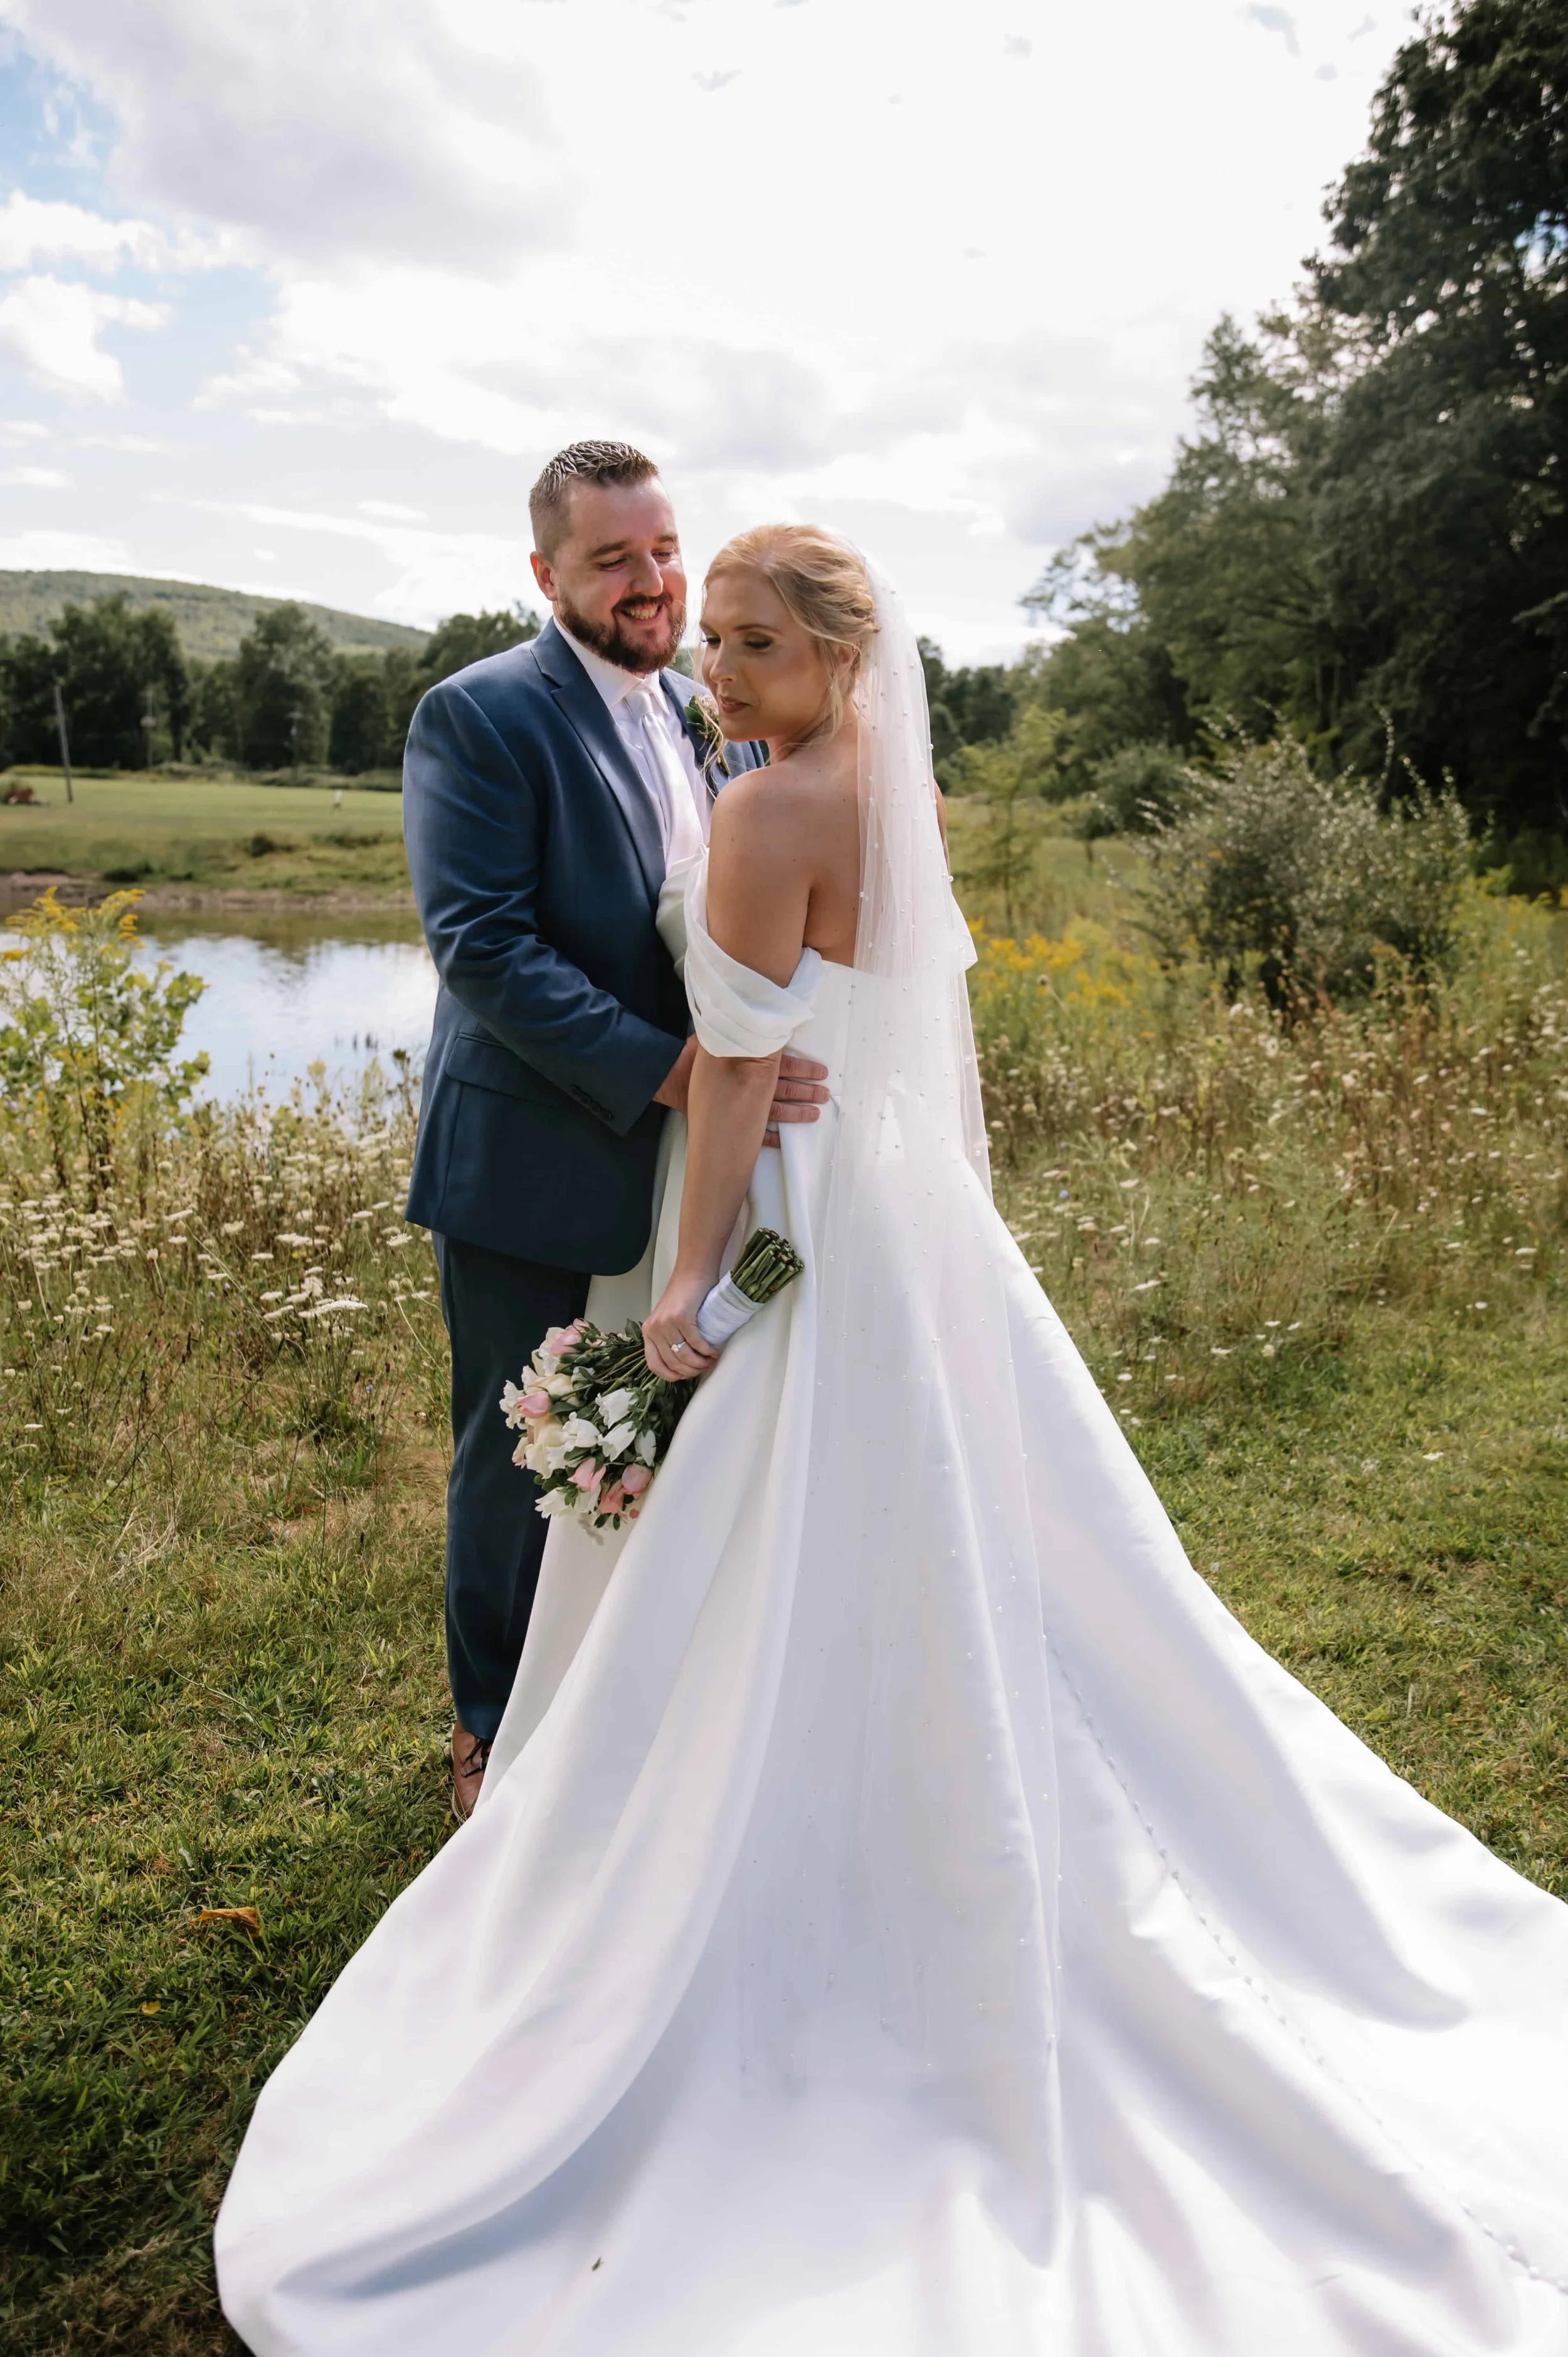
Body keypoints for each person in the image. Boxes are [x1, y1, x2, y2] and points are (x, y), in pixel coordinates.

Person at [217, 531, 1568, 2354]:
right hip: (906, 1224)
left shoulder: (773, 810)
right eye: (711, 641)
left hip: (785, 1218)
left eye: (754, 645)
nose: (720, 673)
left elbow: (738, 1085)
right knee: (966, 1541)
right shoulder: (879, 787)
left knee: (776, 1545)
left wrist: (690, 1288)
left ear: (845, 652)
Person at [398, 442, 829, 1819]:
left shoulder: (707, 711)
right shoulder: (478, 714)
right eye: (611, 560)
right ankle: (486, 1733)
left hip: (669, 1168)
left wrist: (756, 1059)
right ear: (545, 575)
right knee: (513, 1450)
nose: (650, 583)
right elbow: (481, 945)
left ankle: (611, 1716)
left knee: (643, 1435)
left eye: (659, 550)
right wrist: (682, 1074)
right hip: (532, 1151)